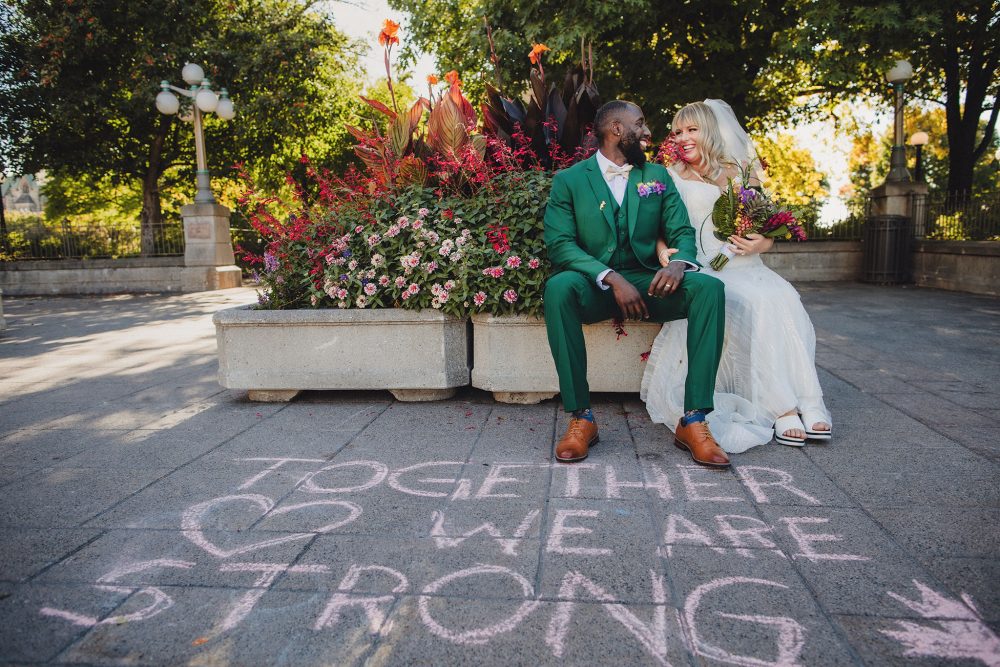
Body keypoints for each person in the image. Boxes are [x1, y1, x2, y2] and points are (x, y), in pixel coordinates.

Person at [543, 99, 729, 467]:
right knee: (558, 288)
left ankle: (694, 420)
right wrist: (610, 278)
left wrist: (678, 264)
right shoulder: (569, 180)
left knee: (709, 289)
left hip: (649, 283)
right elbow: (560, 244)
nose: (647, 132)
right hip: (593, 284)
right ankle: (581, 417)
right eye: (640, 124)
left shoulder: (657, 177)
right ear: (616, 130)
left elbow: (681, 231)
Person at [641, 99, 832, 453]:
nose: (683, 137)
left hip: (746, 266)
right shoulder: (668, 175)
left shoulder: (741, 172)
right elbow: (655, 227)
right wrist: (663, 252)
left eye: (692, 129)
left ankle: (811, 401)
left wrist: (761, 242)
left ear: (710, 131)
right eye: (678, 131)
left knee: (782, 297)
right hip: (703, 268)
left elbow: (768, 228)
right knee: (754, 304)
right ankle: (782, 409)